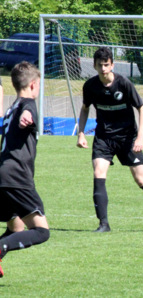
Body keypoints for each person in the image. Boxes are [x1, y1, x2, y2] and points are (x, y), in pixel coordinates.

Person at [77, 47, 143, 232]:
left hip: (127, 137)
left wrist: (140, 137)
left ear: (112, 65)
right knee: (98, 173)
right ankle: (104, 224)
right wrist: (81, 133)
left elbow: (142, 108)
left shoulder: (124, 84)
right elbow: (85, 108)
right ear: (95, 66)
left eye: (106, 65)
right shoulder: (90, 86)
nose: (103, 69)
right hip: (104, 137)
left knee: (141, 179)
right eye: (100, 65)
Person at [0, 62, 50, 278]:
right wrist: (26, 118)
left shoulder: (13, 107)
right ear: (32, 85)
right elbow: (27, 114)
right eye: (38, 85)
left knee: (16, 226)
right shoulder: (28, 104)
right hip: (16, 177)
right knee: (41, 231)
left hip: (3, 173)